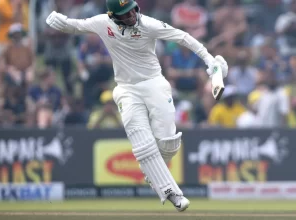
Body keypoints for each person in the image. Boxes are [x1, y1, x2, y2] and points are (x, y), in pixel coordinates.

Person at [45, 0, 228, 212]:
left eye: (132, 10)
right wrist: (56, 19)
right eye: (125, 13)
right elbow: (76, 26)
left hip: (154, 84)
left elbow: (183, 37)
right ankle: (171, 192)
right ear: (113, 16)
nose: (131, 16)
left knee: (168, 143)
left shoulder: (149, 24)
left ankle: (153, 174)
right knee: (142, 141)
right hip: (126, 89)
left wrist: (209, 60)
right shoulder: (102, 23)